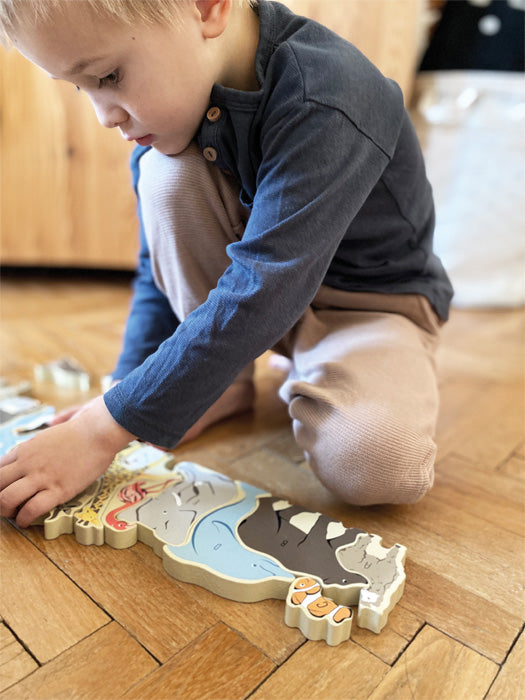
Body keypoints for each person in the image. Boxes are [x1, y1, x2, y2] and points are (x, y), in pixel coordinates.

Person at [0, 0, 453, 529]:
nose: (104, 116)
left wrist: (102, 429)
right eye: (82, 88)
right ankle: (225, 382)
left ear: (207, 7)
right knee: (166, 173)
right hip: (261, 296)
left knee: (378, 464)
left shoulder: (329, 93)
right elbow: (157, 268)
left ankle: (317, 367)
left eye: (109, 76)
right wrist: (128, 387)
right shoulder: (164, 119)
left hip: (369, 306)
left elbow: (268, 286)